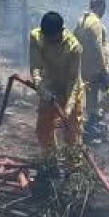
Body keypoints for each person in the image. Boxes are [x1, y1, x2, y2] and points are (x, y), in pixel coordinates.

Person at [29, 12, 85, 158]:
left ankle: (73, 169)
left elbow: (74, 82)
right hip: (49, 88)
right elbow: (35, 67)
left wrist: (67, 111)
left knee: (72, 133)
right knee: (43, 130)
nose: (48, 42)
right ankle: (51, 161)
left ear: (61, 32)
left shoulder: (74, 47)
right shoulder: (36, 37)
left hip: (70, 90)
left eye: (52, 39)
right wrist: (41, 89)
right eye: (46, 37)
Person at [74, 0, 109, 141]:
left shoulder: (81, 20)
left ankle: (91, 125)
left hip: (84, 68)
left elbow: (74, 41)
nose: (104, 11)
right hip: (98, 67)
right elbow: (98, 47)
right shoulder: (96, 23)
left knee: (91, 96)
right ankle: (96, 118)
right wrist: (105, 70)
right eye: (103, 7)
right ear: (98, 7)